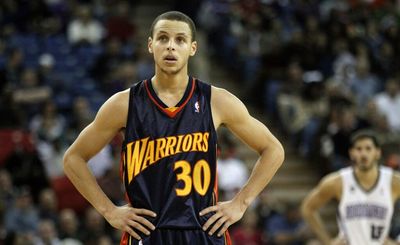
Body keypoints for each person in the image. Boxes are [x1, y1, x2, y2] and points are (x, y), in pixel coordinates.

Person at [63, 11, 284, 245]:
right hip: (148, 232)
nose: (171, 46)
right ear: (150, 45)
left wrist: (241, 203)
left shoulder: (216, 101)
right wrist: (109, 211)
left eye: (180, 40)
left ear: (193, 48)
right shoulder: (124, 104)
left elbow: (273, 150)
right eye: (163, 38)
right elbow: (73, 158)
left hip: (202, 231)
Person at [301, 130, 400, 245]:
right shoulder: (337, 182)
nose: (363, 154)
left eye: (368, 148)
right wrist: (327, 242)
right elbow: (307, 208)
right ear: (352, 153)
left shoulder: (393, 181)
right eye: (359, 149)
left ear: (377, 152)